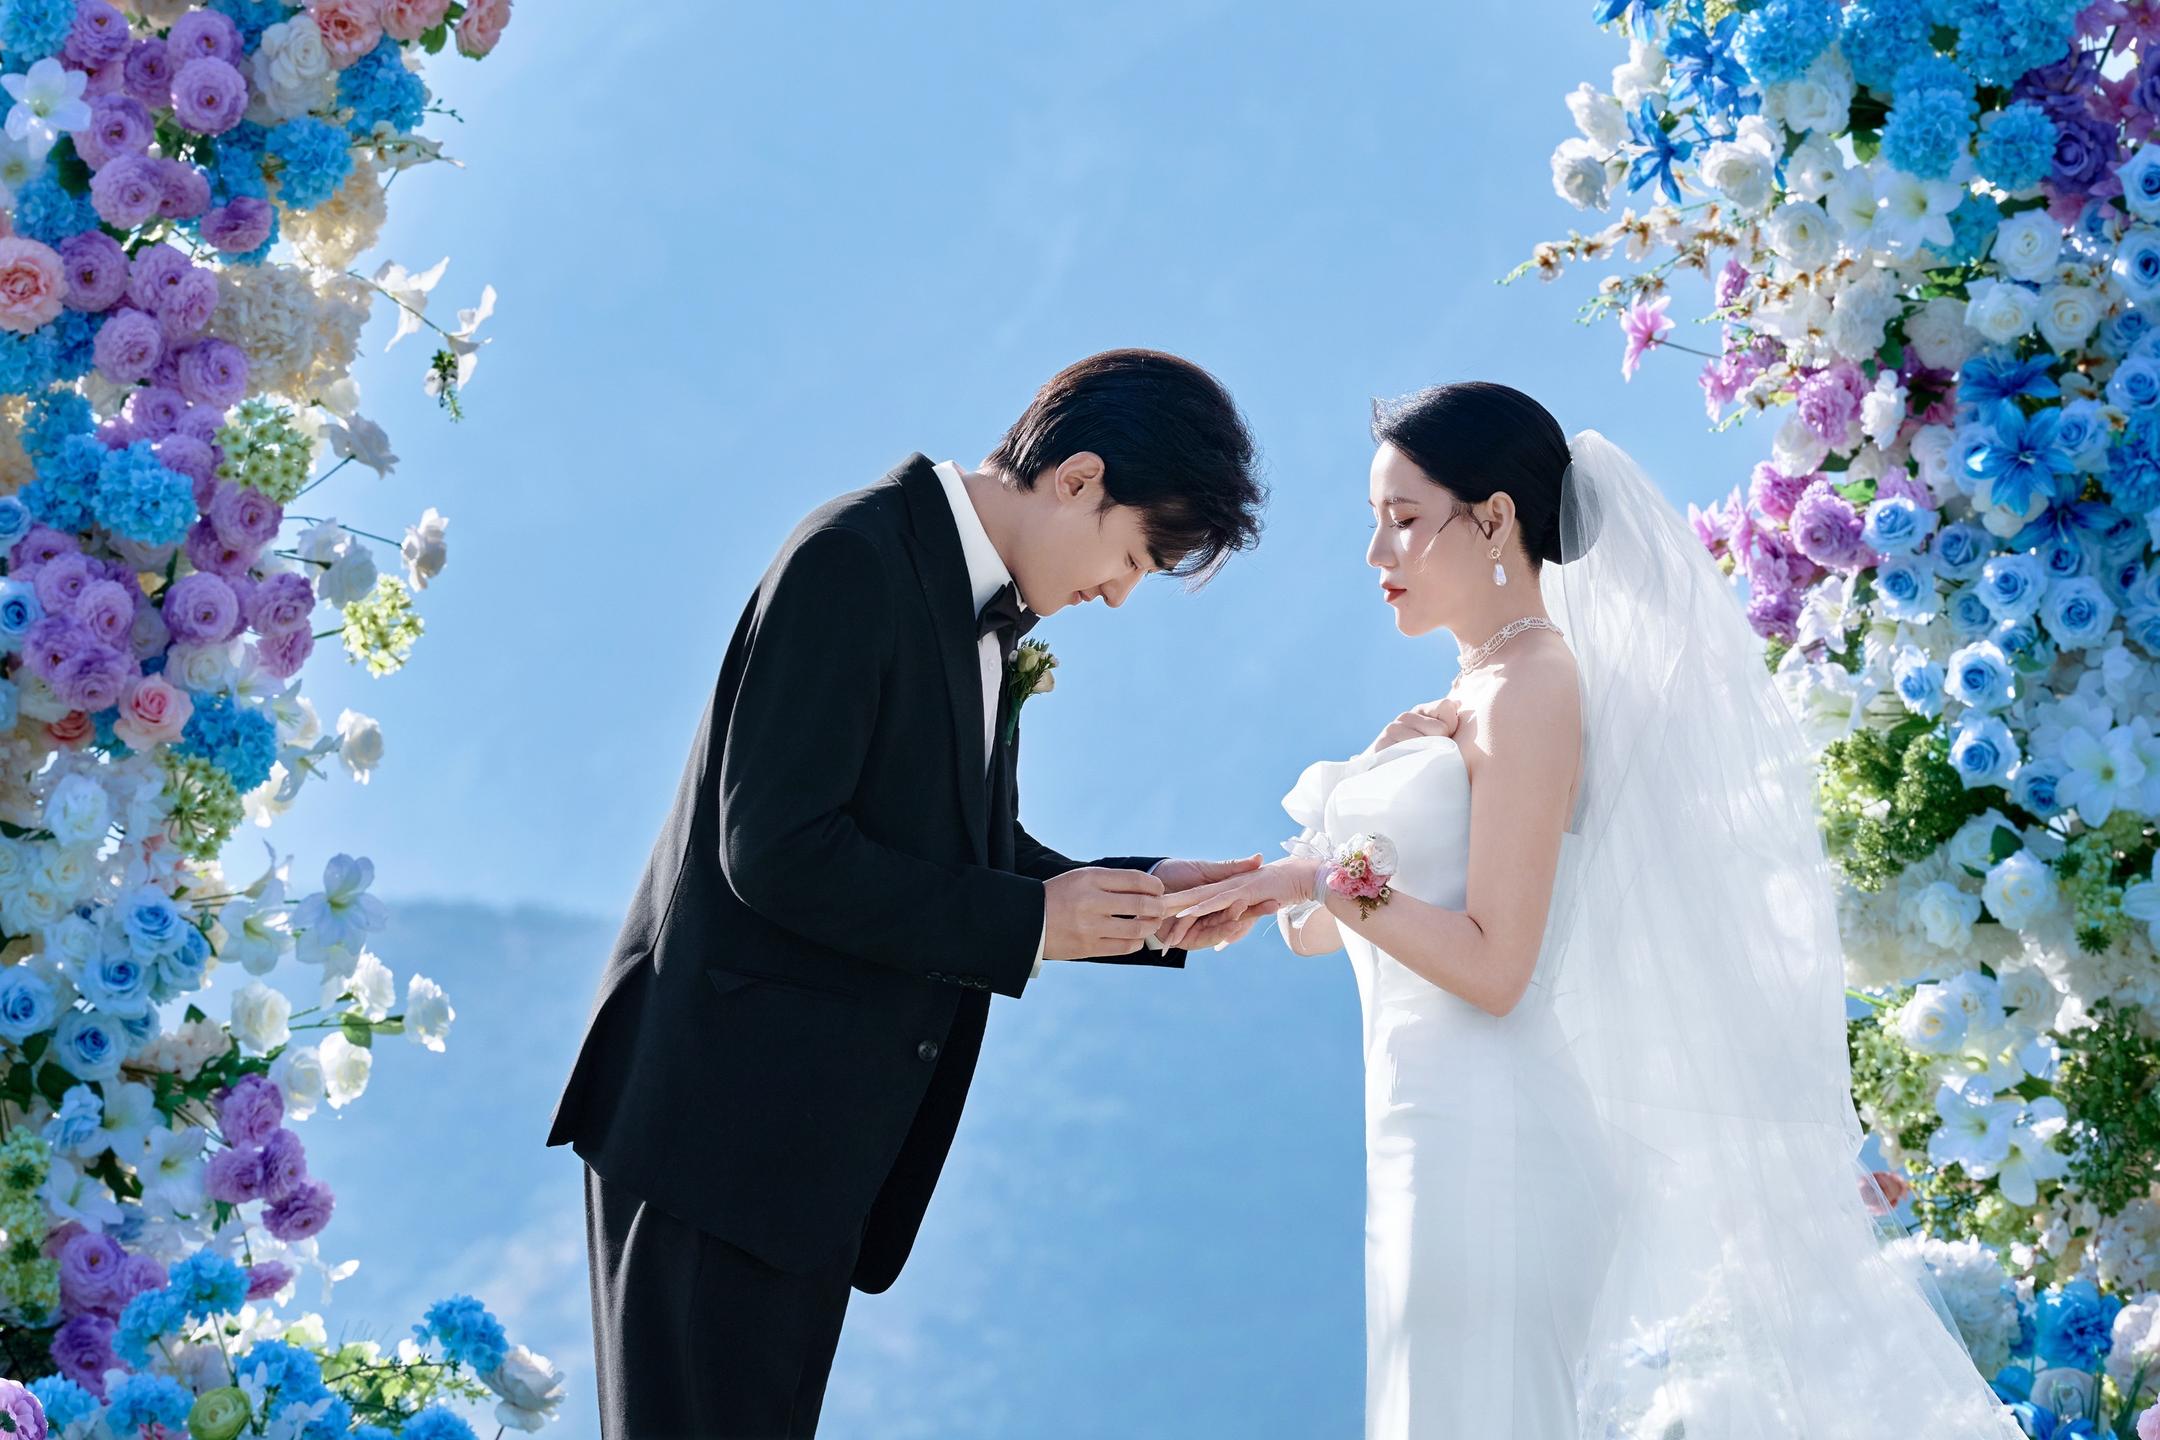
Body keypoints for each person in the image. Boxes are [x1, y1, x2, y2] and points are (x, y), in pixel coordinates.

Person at [1158, 381, 2024, 1438]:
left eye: (1404, 520)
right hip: (1429, 1118)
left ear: (1494, 520)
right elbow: (1327, 930)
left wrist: (1318, 877)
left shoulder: (1533, 685)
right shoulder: (1472, 692)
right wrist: (1270, 883)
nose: (1377, 554)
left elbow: (1494, 967)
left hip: (1495, 1131)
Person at [545, 348, 1273, 1439]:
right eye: (1132, 556)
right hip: (717, 1136)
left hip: (807, 1162)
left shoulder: (981, 605)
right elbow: (776, 850)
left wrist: (1147, 906)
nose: (1121, 593)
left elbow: (961, 847)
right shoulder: (851, 557)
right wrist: (1032, 923)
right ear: (1077, 478)